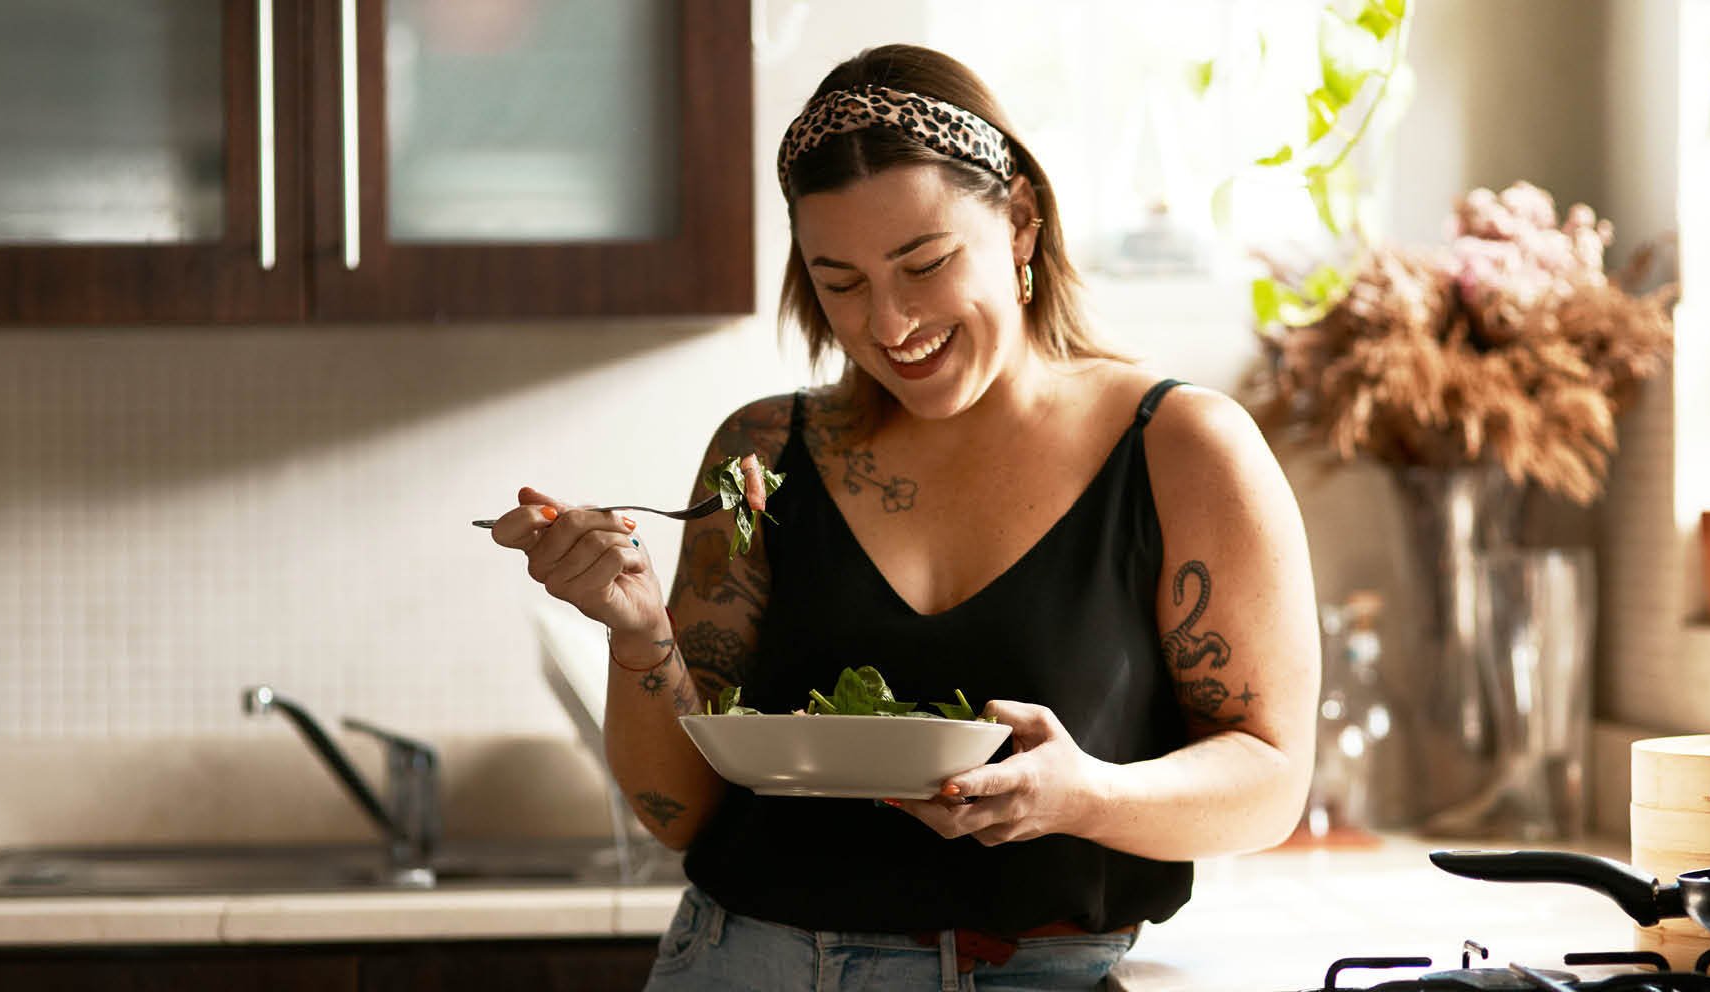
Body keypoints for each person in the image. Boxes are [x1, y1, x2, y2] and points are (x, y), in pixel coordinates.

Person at [489, 44, 1317, 992]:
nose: (888, 325)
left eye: (923, 264)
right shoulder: (762, 453)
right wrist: (638, 634)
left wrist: (1082, 796)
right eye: (839, 282)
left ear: (1019, 222)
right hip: (742, 964)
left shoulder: (1180, 449)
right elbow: (676, 813)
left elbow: (1268, 784)